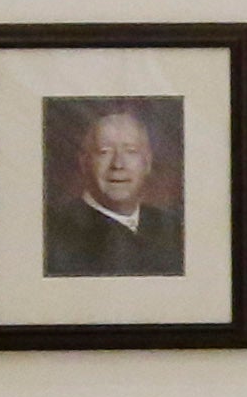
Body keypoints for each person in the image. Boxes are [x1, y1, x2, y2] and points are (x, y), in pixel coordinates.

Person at [41, 105, 184, 278]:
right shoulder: (54, 235)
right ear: (84, 162)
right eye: (104, 152)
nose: (118, 164)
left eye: (131, 151)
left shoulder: (173, 230)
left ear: (147, 163)